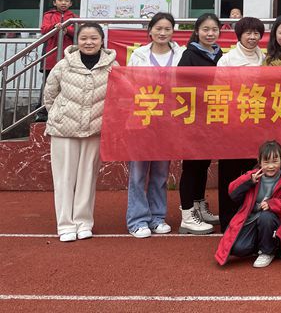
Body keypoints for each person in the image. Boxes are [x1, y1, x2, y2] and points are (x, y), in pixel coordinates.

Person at [43, 22, 117, 242]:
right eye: (84, 38)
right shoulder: (63, 65)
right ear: (77, 41)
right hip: (64, 130)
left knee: (87, 178)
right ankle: (65, 224)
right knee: (64, 179)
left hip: (95, 130)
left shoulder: (113, 66)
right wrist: (59, 114)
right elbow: (50, 94)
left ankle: (84, 222)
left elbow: (118, 96)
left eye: (94, 38)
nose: (89, 42)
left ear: (102, 41)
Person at [126, 12, 185, 238]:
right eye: (158, 28)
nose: (162, 33)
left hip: (169, 122)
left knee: (161, 172)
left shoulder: (181, 54)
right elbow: (128, 85)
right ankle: (137, 220)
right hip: (142, 120)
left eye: (167, 29)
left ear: (173, 31)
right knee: (138, 172)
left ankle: (157, 217)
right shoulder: (138, 55)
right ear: (150, 31)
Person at [216, 16, 266, 232]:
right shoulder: (227, 60)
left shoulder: (264, 58)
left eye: (256, 33)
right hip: (233, 124)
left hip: (256, 123)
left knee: (252, 172)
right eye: (248, 33)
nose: (252, 37)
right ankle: (228, 220)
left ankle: (248, 218)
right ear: (239, 35)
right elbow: (219, 92)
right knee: (230, 172)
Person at [176, 13, 223, 235]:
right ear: (197, 31)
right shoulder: (189, 55)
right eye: (205, 29)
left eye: (214, 29)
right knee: (191, 166)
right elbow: (181, 87)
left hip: (212, 118)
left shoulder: (220, 55)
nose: (210, 33)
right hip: (193, 119)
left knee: (203, 164)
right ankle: (187, 215)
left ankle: (199, 206)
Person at [215, 140, 281, 267]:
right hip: (252, 219)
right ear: (259, 161)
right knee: (239, 249)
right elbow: (232, 191)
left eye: (275, 161)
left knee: (266, 217)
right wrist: (248, 181)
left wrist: (272, 204)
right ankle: (261, 245)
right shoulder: (253, 176)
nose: (271, 166)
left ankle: (267, 251)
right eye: (266, 162)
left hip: (273, 220)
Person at [36, 0, 77, 122]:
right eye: (60, 0)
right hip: (50, 55)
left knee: (68, 84)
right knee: (47, 84)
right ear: (54, 2)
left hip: (68, 57)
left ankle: (66, 112)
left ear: (70, 3)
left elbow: (78, 32)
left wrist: (66, 29)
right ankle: (42, 112)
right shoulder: (49, 15)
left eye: (66, 1)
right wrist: (55, 27)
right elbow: (44, 29)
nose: (63, 3)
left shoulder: (74, 17)